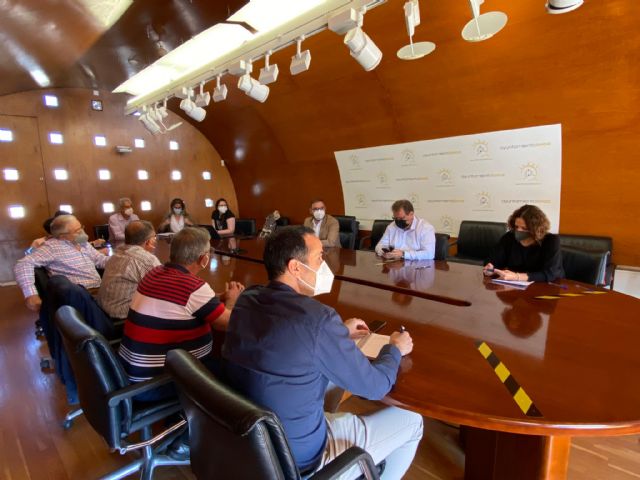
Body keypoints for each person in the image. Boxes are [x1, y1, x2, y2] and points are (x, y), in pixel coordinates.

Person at [223, 226, 423, 478]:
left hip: (253, 441)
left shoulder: (248, 298)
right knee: (413, 422)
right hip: (299, 459)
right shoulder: (318, 319)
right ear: (295, 267)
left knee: (330, 376)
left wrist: (337, 333)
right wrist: (394, 348)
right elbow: (375, 387)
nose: (324, 266)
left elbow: (284, 337)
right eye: (319, 257)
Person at [118, 226, 244, 398]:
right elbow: (226, 324)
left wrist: (220, 297)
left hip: (132, 375)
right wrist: (232, 300)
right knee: (236, 373)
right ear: (204, 259)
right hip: (158, 382)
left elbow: (182, 298)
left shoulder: (154, 273)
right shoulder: (193, 288)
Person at [14, 214, 110, 312]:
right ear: (63, 236)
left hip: (99, 289)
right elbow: (23, 263)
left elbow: (99, 259)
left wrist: (118, 261)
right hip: (81, 295)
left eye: (81, 227)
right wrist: (30, 294)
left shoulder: (82, 243)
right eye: (77, 231)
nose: (82, 232)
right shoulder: (52, 247)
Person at [97, 220, 161, 321]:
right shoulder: (146, 260)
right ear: (148, 241)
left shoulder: (117, 253)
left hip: (103, 313)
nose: (155, 240)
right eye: (154, 237)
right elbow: (163, 289)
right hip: (124, 318)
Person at [483, 204, 563, 282]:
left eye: (524, 228)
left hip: (547, 285)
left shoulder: (551, 241)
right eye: (516, 227)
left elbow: (551, 273)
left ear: (536, 228)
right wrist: (490, 268)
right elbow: (493, 260)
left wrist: (517, 277)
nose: (519, 231)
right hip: (515, 285)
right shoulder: (509, 237)